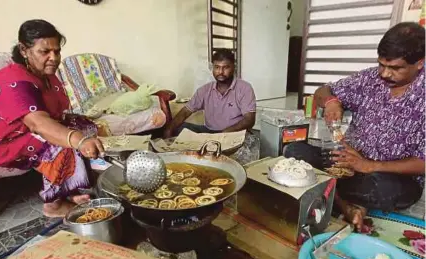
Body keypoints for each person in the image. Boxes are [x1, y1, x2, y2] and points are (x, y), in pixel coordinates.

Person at [284, 22, 425, 231]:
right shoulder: (370, 78)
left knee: (383, 189)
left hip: (389, 175)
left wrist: (370, 165)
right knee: (293, 151)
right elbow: (322, 90)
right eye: (381, 65)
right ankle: (348, 205)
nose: (385, 74)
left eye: (395, 68)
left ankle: (335, 197)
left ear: (419, 63)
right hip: (347, 159)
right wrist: (331, 101)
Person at [0, 20, 105, 217]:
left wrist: (79, 132)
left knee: (83, 126)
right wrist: (79, 140)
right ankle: (54, 205)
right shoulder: (15, 81)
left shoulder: (45, 74)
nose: (54, 58)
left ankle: (70, 190)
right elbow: (38, 124)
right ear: (24, 50)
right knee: (58, 141)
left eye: (57, 51)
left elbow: (56, 113)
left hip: (23, 130)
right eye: (45, 52)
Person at [164, 49, 256, 137]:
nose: (220, 72)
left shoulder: (244, 88)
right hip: (209, 132)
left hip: (234, 132)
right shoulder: (204, 90)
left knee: (245, 140)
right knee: (178, 128)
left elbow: (249, 120)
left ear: (233, 67)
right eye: (217, 67)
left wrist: (224, 134)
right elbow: (185, 112)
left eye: (226, 67)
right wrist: (169, 130)